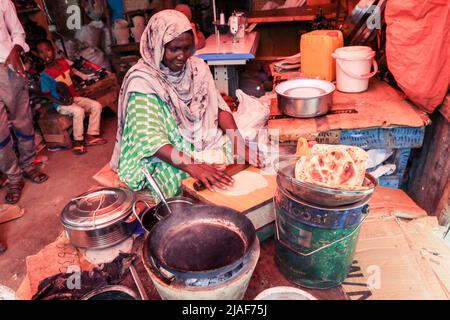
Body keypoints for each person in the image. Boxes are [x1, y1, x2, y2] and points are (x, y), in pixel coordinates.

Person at [110, 10, 262, 201]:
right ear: (157, 45)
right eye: (174, 49)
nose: (182, 56)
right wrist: (193, 166)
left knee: (244, 153)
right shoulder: (143, 81)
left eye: (187, 48)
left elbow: (219, 108)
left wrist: (239, 142)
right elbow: (149, 139)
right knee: (180, 180)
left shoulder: (197, 68)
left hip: (197, 140)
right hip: (163, 150)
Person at [0, 0, 48, 204]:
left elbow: (18, 32)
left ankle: (29, 165)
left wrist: (15, 51)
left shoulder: (3, 2)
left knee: (23, 122)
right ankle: (13, 178)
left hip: (7, 67)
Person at [36, 39, 107, 155]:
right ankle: (78, 141)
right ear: (39, 55)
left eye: (47, 50)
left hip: (73, 97)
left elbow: (72, 77)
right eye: (41, 52)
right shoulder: (44, 75)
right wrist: (61, 102)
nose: (45, 54)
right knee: (78, 111)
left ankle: (90, 135)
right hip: (60, 104)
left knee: (96, 105)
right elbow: (47, 94)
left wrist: (79, 88)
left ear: (53, 51)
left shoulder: (63, 63)